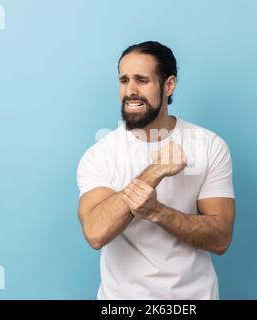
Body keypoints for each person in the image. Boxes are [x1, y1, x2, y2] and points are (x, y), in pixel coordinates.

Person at [77, 41, 236, 299]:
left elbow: (221, 238)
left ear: (168, 85)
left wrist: (157, 212)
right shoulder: (100, 155)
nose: (130, 91)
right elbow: (95, 233)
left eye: (142, 80)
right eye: (124, 80)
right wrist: (154, 172)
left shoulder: (209, 146)